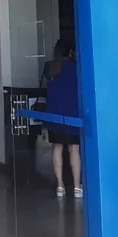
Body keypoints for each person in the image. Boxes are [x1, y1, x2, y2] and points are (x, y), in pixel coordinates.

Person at [45, 39, 81, 198]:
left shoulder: (50, 67)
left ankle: (60, 185)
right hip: (73, 113)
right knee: (74, 149)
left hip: (54, 114)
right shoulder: (76, 68)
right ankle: (77, 187)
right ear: (71, 51)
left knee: (57, 148)